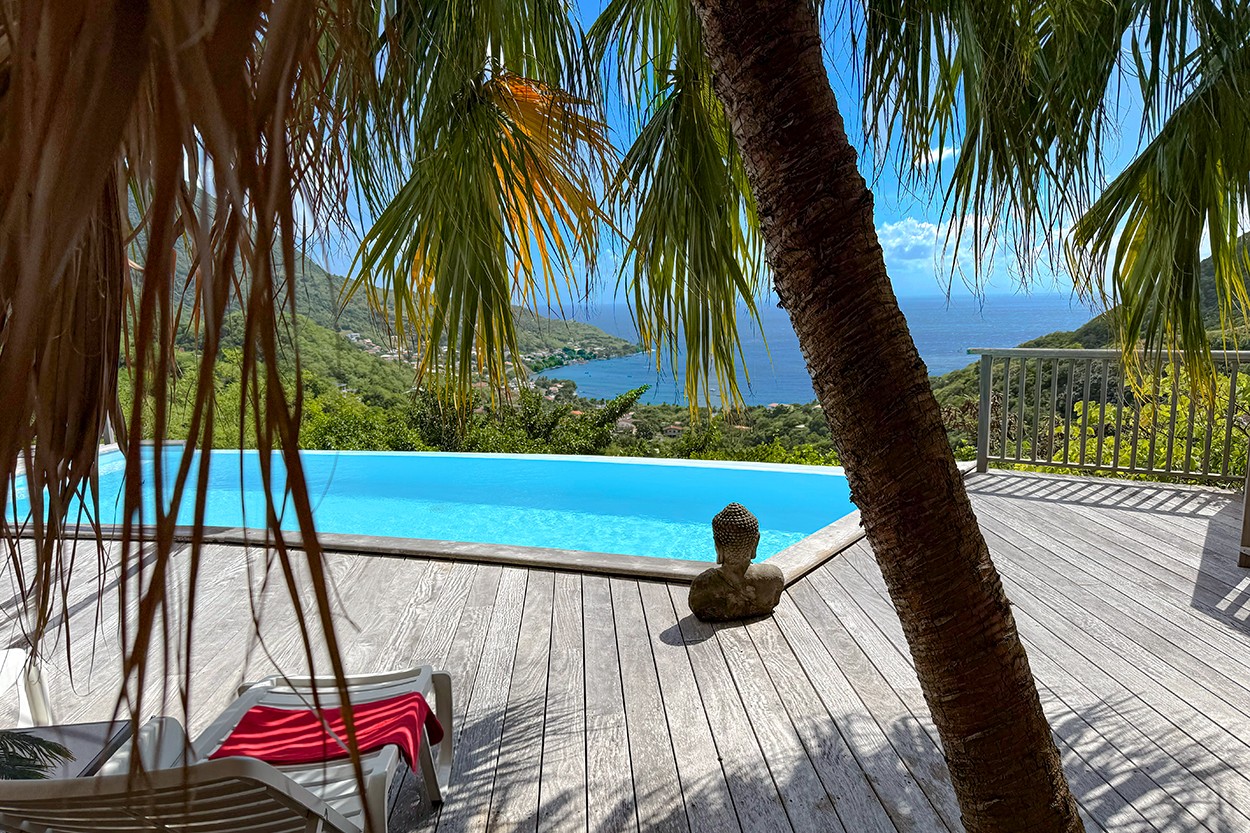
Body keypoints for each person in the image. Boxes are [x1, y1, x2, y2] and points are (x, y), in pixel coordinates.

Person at [688, 503, 784, 622]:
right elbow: (774, 601)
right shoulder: (773, 578)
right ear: (756, 542)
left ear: (718, 546)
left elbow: (697, 608)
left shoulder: (702, 586)